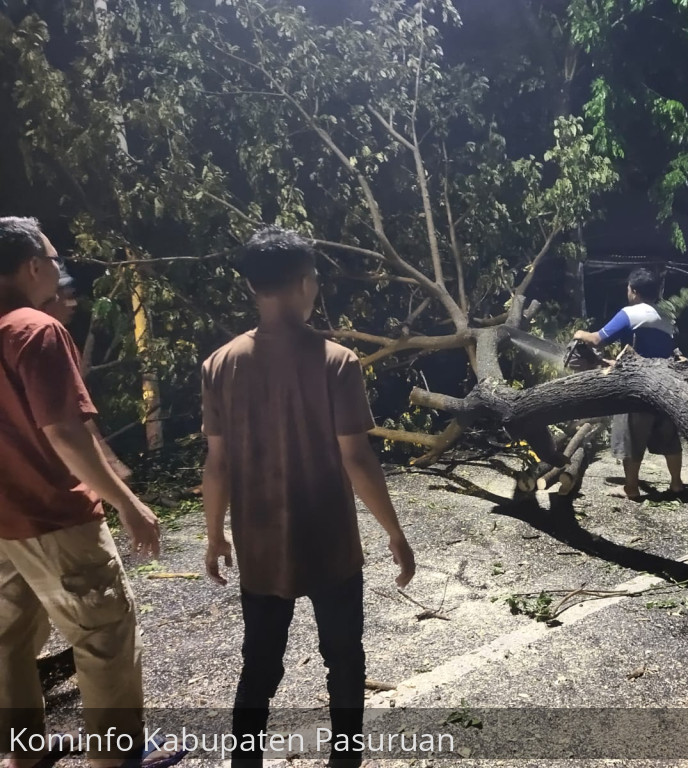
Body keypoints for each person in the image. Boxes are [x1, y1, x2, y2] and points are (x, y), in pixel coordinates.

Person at [200, 227, 416, 768]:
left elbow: (217, 462)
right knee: (344, 659)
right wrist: (394, 532)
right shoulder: (335, 361)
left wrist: (213, 535)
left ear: (252, 285)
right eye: (315, 277)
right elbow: (358, 458)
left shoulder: (220, 364)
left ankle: (243, 763)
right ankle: (345, 761)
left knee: (260, 664)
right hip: (331, 544)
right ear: (303, 283)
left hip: (260, 545)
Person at [0, 217, 182, 768]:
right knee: (103, 632)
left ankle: (22, 752)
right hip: (55, 515)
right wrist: (128, 504)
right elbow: (64, 433)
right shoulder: (36, 330)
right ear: (33, 265)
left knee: (7, 638)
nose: (59, 272)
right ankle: (116, 757)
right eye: (55, 261)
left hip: (4, 522)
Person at [573, 267, 685, 501]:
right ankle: (676, 484)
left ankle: (631, 488)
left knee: (631, 438)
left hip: (638, 387)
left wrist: (580, 333)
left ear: (634, 291)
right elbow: (653, 352)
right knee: (669, 437)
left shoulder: (630, 313)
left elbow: (596, 339)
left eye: (628, 289)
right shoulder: (666, 317)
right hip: (666, 385)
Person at [40, 264, 133, 481]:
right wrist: (111, 463)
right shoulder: (47, 336)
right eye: (67, 296)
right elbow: (71, 415)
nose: (73, 304)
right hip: (56, 485)